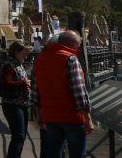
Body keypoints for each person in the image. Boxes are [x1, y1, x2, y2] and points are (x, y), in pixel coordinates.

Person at [31, 30, 92, 158]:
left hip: (50, 116)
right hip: (71, 116)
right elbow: (79, 92)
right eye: (79, 45)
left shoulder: (39, 59)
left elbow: (35, 91)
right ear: (73, 44)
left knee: (54, 152)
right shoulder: (70, 59)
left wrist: (39, 115)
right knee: (77, 154)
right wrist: (88, 118)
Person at [0, 41, 31, 158]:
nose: (26, 57)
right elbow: (6, 83)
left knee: (21, 136)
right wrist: (23, 83)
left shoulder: (17, 64)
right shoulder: (9, 65)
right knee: (18, 136)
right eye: (24, 54)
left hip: (22, 104)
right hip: (12, 104)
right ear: (16, 52)